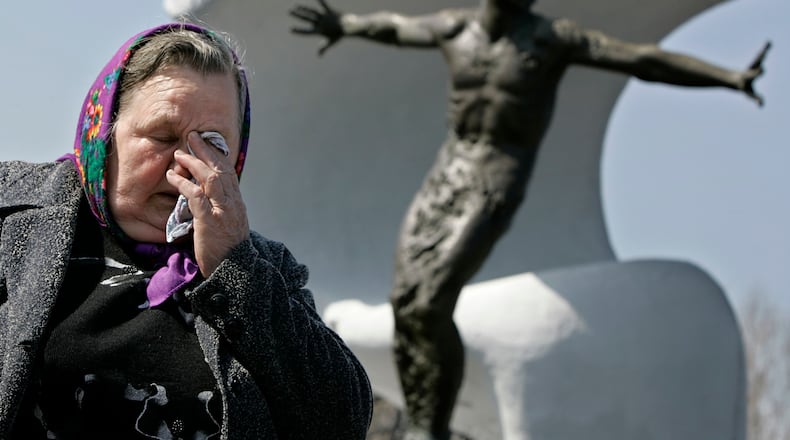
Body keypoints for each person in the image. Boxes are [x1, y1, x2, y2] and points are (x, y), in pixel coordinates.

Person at [290, 1, 770, 439]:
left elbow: (642, 59)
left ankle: (430, 428)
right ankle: (423, 418)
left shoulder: (550, 40)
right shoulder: (456, 27)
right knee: (406, 302)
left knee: (432, 299)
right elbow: (396, 27)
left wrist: (728, 76)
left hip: (495, 178)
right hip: (447, 176)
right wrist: (344, 24)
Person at [0, 23, 372, 439]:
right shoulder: (15, 216)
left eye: (214, 144)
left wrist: (234, 269)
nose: (185, 164)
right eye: (162, 136)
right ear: (104, 134)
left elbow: (342, 421)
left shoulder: (264, 268)